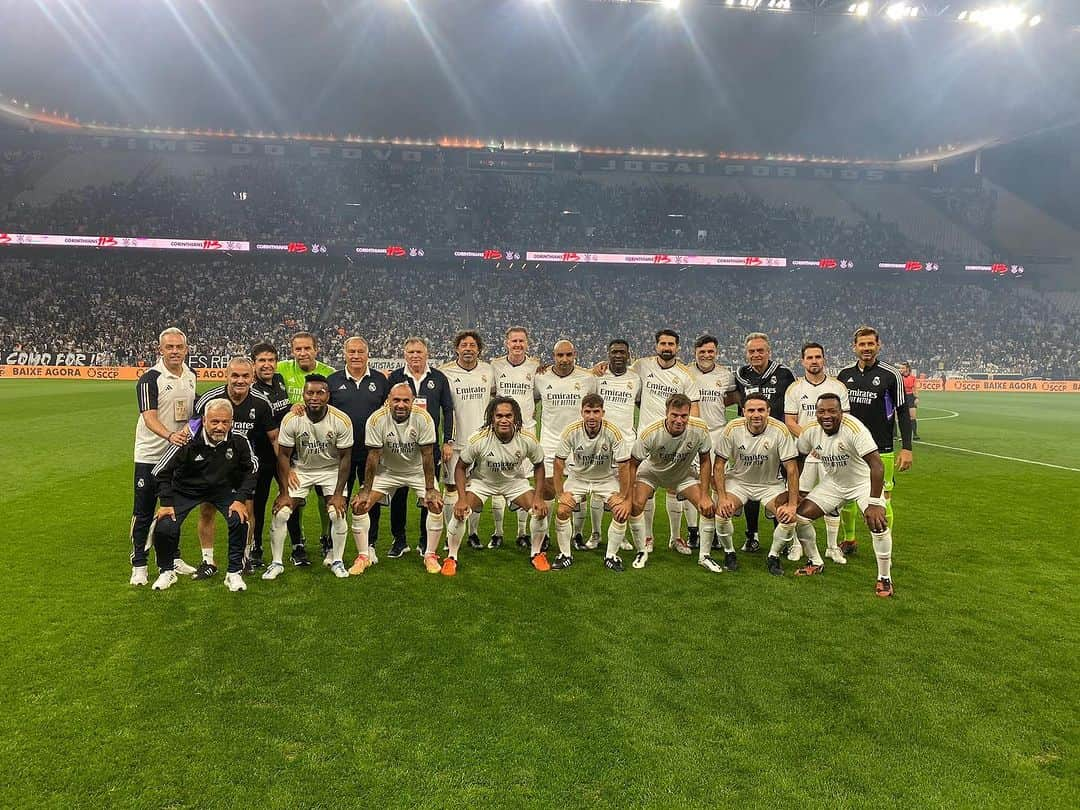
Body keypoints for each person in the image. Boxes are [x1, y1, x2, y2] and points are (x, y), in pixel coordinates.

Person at [149, 399, 257, 592]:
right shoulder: (187, 439)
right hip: (185, 490)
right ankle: (167, 572)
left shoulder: (239, 439)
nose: (220, 427)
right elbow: (160, 470)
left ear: (231, 421)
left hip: (221, 490)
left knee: (239, 519)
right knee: (165, 525)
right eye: (214, 422)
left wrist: (240, 499)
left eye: (225, 422)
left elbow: (252, 468)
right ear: (204, 420)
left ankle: (234, 572)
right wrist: (166, 503)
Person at [794, 393, 895, 597]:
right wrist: (793, 493)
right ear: (816, 413)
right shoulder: (811, 431)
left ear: (841, 412)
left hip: (862, 483)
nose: (827, 416)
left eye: (832, 411)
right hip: (834, 483)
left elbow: (877, 465)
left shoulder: (854, 428)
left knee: (878, 523)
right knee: (799, 517)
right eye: (822, 411)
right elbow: (798, 459)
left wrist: (875, 503)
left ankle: (884, 578)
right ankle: (815, 561)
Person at [192, 356, 277, 580]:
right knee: (207, 510)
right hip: (212, 466)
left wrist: (285, 470)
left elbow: (274, 438)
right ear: (226, 375)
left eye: (245, 376)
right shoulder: (209, 399)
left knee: (247, 511)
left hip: (243, 467)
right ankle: (208, 560)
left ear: (252, 377)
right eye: (235, 375)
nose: (240, 380)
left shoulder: (261, 402)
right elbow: (192, 432)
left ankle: (243, 557)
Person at [444, 397, 549, 575]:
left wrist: (538, 497)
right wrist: (461, 499)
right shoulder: (479, 438)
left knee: (539, 511)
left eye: (508, 415)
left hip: (514, 482)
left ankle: (536, 554)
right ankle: (452, 557)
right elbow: (461, 468)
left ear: (515, 418)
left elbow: (539, 465)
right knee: (460, 511)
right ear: (492, 418)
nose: (504, 420)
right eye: (499, 415)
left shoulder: (527, 438)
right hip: (482, 482)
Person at [263, 375, 352, 581]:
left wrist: (339, 494)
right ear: (303, 395)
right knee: (282, 513)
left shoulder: (341, 420)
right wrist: (284, 492)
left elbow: (346, 458)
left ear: (328, 396)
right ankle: (276, 563)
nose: (314, 397)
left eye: (320, 393)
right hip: (302, 470)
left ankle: (337, 561)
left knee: (336, 513)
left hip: (331, 470)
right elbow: (284, 456)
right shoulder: (292, 419)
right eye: (309, 393)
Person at [350, 383, 445, 575]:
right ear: (388, 401)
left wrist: (430, 488)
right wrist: (366, 489)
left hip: (417, 471)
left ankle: (430, 555)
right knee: (360, 505)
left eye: (405, 401)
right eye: (396, 400)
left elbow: (428, 455)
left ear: (412, 402)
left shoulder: (424, 418)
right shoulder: (376, 419)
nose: (400, 405)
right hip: (388, 472)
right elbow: (373, 456)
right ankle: (363, 556)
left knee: (435, 504)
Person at [129, 327, 198, 586]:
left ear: (186, 349)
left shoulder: (191, 376)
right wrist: (170, 435)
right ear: (160, 349)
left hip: (177, 456)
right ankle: (139, 563)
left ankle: (173, 557)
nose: (174, 351)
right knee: (144, 511)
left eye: (179, 347)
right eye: (169, 347)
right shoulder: (150, 378)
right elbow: (149, 417)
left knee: (173, 510)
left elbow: (192, 414)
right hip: (150, 455)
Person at [837, 326, 913, 555]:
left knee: (883, 497)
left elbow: (903, 411)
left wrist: (907, 448)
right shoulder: (844, 375)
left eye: (871, 344)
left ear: (878, 346)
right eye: (862, 344)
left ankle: (884, 539)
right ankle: (849, 540)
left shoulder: (892, 375)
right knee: (847, 497)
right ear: (854, 347)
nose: (867, 348)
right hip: (849, 448)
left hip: (882, 447)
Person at [628, 330, 701, 556]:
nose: (666, 347)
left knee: (672, 488)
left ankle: (675, 537)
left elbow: (694, 409)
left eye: (671, 344)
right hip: (648, 439)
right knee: (645, 490)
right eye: (662, 343)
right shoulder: (642, 366)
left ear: (677, 347)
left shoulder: (686, 375)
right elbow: (620, 375)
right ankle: (648, 536)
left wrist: (692, 437)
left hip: (676, 441)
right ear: (656, 346)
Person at [713, 394, 800, 576]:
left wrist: (792, 505)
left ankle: (773, 556)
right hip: (739, 482)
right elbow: (719, 465)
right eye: (751, 410)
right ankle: (729, 552)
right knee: (722, 513)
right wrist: (722, 498)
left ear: (768, 411)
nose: (756, 414)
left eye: (761, 410)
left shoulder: (780, 430)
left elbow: (791, 469)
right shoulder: (732, 428)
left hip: (770, 485)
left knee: (789, 518)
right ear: (743, 412)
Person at [627, 394, 715, 571]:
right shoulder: (650, 433)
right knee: (635, 505)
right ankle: (641, 551)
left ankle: (704, 556)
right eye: (674, 415)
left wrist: (705, 495)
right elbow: (632, 464)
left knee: (708, 507)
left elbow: (705, 460)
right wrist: (627, 496)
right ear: (666, 413)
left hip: (682, 475)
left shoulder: (700, 428)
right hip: (652, 473)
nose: (679, 420)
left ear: (689, 414)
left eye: (684, 416)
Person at [783, 342, 851, 564]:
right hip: (804, 453)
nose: (814, 361)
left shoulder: (838, 387)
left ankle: (832, 547)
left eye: (818, 357)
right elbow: (790, 420)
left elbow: (845, 419)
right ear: (802, 361)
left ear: (824, 359)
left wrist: (825, 443)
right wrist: (812, 439)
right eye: (809, 357)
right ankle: (796, 546)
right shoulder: (795, 388)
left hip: (831, 454)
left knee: (833, 501)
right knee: (798, 497)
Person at [387, 337, 455, 557]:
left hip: (429, 448)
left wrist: (447, 441)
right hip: (399, 448)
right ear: (404, 355)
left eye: (419, 352)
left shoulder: (438, 378)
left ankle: (425, 540)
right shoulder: (396, 377)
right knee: (399, 496)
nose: (415, 356)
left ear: (427, 354)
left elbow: (448, 410)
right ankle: (399, 540)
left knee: (429, 493)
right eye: (411, 352)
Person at [552, 394, 633, 571]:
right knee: (562, 509)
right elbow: (558, 462)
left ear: (603, 412)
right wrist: (560, 494)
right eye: (587, 411)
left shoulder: (613, 431)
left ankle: (611, 556)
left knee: (620, 511)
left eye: (596, 412)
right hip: (578, 478)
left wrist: (622, 496)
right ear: (581, 412)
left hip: (605, 480)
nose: (591, 416)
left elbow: (624, 464)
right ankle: (565, 554)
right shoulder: (571, 431)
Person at [326, 337, 389, 564]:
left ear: (367, 353)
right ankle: (333, 548)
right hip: (340, 453)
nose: (356, 356)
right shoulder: (333, 380)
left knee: (370, 498)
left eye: (360, 351)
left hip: (371, 452)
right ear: (345, 353)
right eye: (351, 351)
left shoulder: (380, 380)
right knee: (337, 498)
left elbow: (388, 413)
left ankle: (370, 545)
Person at [276, 331, 337, 567]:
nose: (303, 353)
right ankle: (297, 541)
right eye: (298, 349)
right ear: (292, 351)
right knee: (295, 497)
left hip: (321, 446)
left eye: (307, 348)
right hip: (291, 444)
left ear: (316, 349)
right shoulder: (281, 369)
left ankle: (325, 536)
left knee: (325, 496)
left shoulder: (329, 373)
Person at [733, 332, 796, 554]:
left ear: (769, 352)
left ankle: (783, 540)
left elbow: (793, 404)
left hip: (777, 441)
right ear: (746, 353)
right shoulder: (741, 375)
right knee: (750, 486)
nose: (756, 354)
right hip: (750, 440)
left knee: (777, 489)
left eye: (760, 350)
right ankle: (752, 536)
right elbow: (735, 400)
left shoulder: (785, 374)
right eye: (752, 351)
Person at [536, 340, 597, 551]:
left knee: (577, 492)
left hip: (578, 444)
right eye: (560, 355)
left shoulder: (588, 378)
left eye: (568, 355)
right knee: (546, 490)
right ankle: (543, 536)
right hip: (550, 442)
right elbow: (530, 400)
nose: (564, 359)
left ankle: (577, 534)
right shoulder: (541, 377)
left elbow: (594, 406)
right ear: (553, 356)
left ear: (575, 354)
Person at [438, 331, 495, 552]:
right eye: (464, 345)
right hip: (456, 442)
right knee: (452, 487)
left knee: (477, 488)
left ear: (479, 349)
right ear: (457, 348)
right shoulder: (445, 372)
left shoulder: (488, 371)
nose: (468, 348)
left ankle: (473, 533)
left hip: (482, 442)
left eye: (472, 345)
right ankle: (450, 534)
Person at [490, 326, 541, 549]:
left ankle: (522, 532)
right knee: (498, 478)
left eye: (521, 341)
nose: (518, 345)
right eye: (514, 341)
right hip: (500, 432)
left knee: (523, 482)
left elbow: (538, 395)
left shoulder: (536, 366)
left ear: (527, 344)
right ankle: (498, 532)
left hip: (526, 432)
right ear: (506, 343)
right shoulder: (495, 365)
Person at [688, 334, 739, 551]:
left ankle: (718, 530)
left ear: (716, 352)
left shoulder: (726, 375)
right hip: (695, 433)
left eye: (710, 351)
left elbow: (732, 397)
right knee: (698, 484)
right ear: (695, 353)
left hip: (718, 432)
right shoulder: (686, 372)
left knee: (719, 483)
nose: (707, 355)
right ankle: (693, 531)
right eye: (702, 352)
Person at [593, 339, 641, 552]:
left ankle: (620, 535)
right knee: (596, 489)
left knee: (624, 491)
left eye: (622, 352)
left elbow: (641, 403)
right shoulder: (597, 377)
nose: (618, 355)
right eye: (614, 352)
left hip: (626, 443)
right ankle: (595, 534)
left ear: (628, 355)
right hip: (600, 442)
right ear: (608, 354)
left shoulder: (636, 379)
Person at [249, 341, 292, 568]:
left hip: (284, 452)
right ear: (253, 364)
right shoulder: (251, 388)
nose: (267, 365)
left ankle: (298, 545)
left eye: (271, 360)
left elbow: (283, 413)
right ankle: (256, 547)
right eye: (262, 361)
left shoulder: (279, 381)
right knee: (258, 502)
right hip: (262, 455)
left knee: (294, 496)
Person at [900, 362, 921, 440]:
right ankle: (903, 435)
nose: (901, 369)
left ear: (907, 369)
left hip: (910, 397)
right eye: (900, 368)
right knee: (902, 417)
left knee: (913, 416)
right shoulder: (898, 377)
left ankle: (915, 434)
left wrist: (917, 398)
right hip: (901, 397)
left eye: (902, 368)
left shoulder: (913, 378)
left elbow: (915, 388)